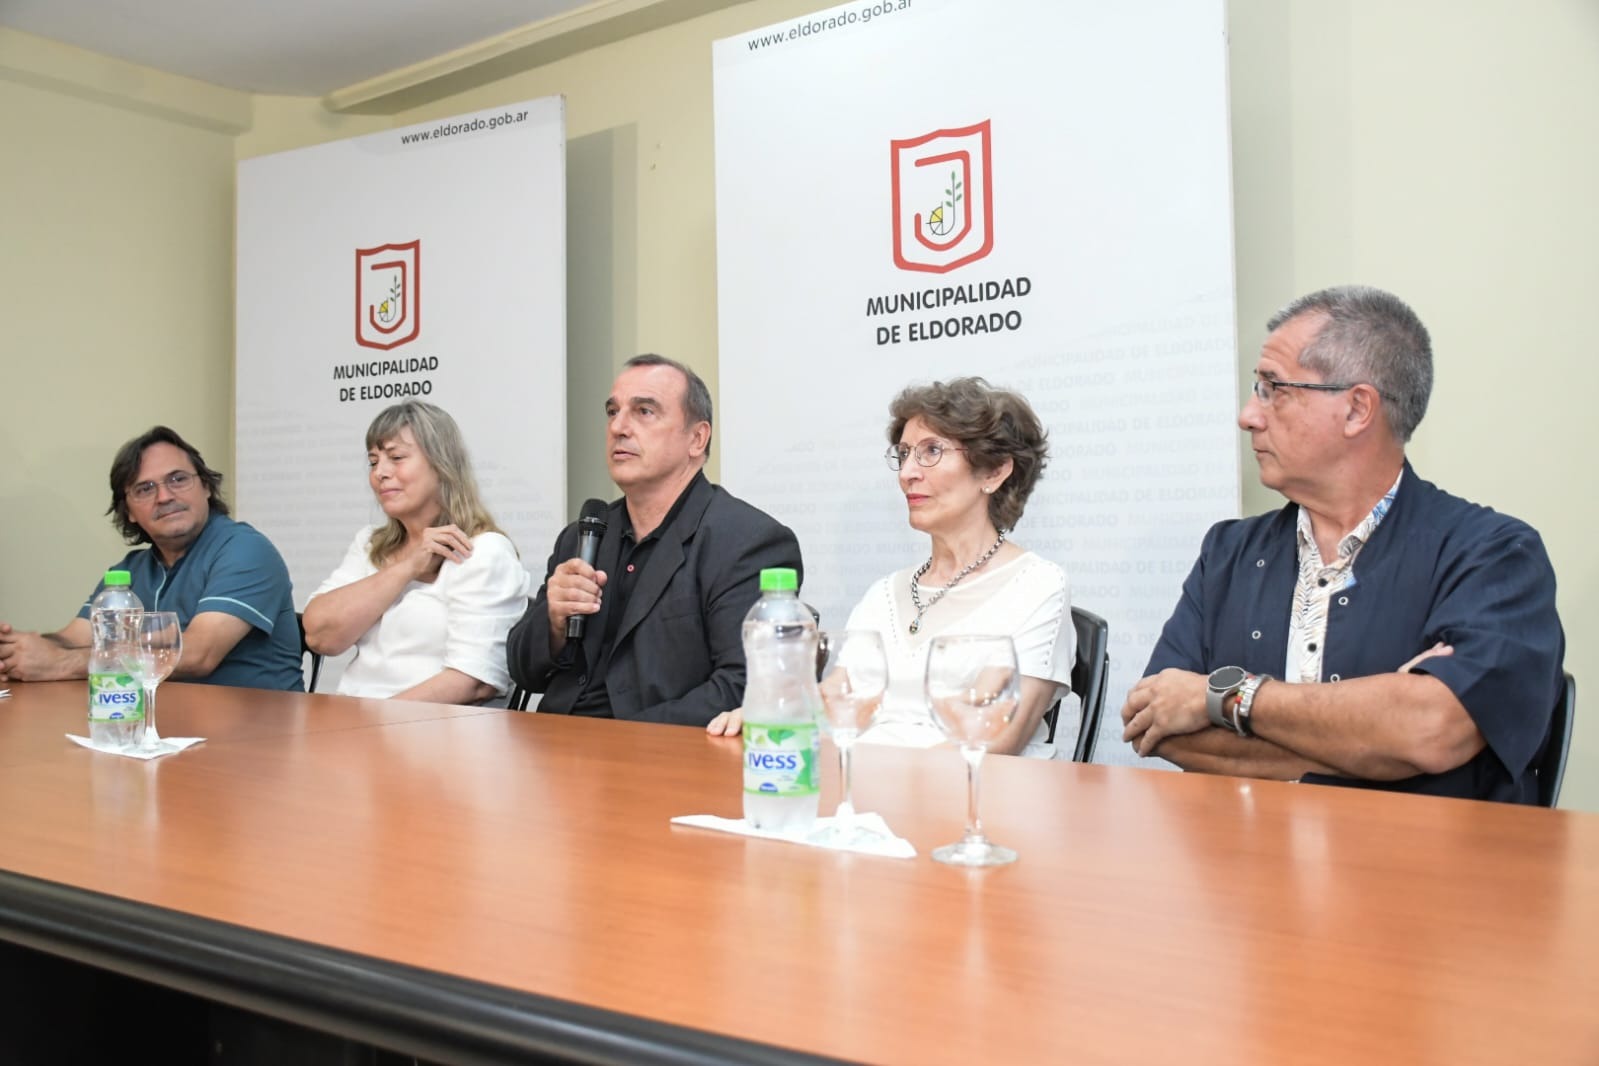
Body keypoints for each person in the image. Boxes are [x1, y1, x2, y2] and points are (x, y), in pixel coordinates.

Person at [1121, 285, 1564, 804]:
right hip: (1250, 854)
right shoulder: (1229, 552)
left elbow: (1430, 730)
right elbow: (1157, 723)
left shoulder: (1495, 556)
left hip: (1426, 858)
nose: (1248, 415)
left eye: (1273, 389)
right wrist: (1371, 742)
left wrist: (1222, 696)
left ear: (1357, 410)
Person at [709, 377, 1074, 756]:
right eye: (904, 454)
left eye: (931, 451)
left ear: (994, 471)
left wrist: (881, 779)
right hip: (865, 784)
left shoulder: (1037, 585)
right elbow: (837, 698)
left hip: (970, 789)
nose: (907, 473)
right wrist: (774, 716)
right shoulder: (884, 593)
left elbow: (994, 738)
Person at [506, 354, 803, 725]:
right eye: (612, 412)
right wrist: (553, 623)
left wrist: (623, 740)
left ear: (697, 438)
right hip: (555, 743)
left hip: (662, 750)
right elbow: (522, 671)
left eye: (644, 411)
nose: (619, 427)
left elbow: (745, 686)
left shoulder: (748, 541)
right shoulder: (583, 536)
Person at [0, 426, 303, 690]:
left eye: (178, 479)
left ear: (206, 487)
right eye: (144, 489)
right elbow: (71, 639)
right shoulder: (130, 571)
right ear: (129, 511)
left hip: (259, 730)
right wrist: (16, 651)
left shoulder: (244, 549)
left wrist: (62, 664)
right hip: (167, 728)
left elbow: (199, 654)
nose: (164, 496)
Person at [303, 402, 530, 703]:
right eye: (373, 461)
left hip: (431, 727)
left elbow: (474, 681)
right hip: (357, 717)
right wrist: (407, 567)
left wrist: (371, 722)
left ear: (441, 464)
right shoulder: (369, 543)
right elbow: (320, 636)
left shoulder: (484, 551)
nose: (380, 473)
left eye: (396, 457)